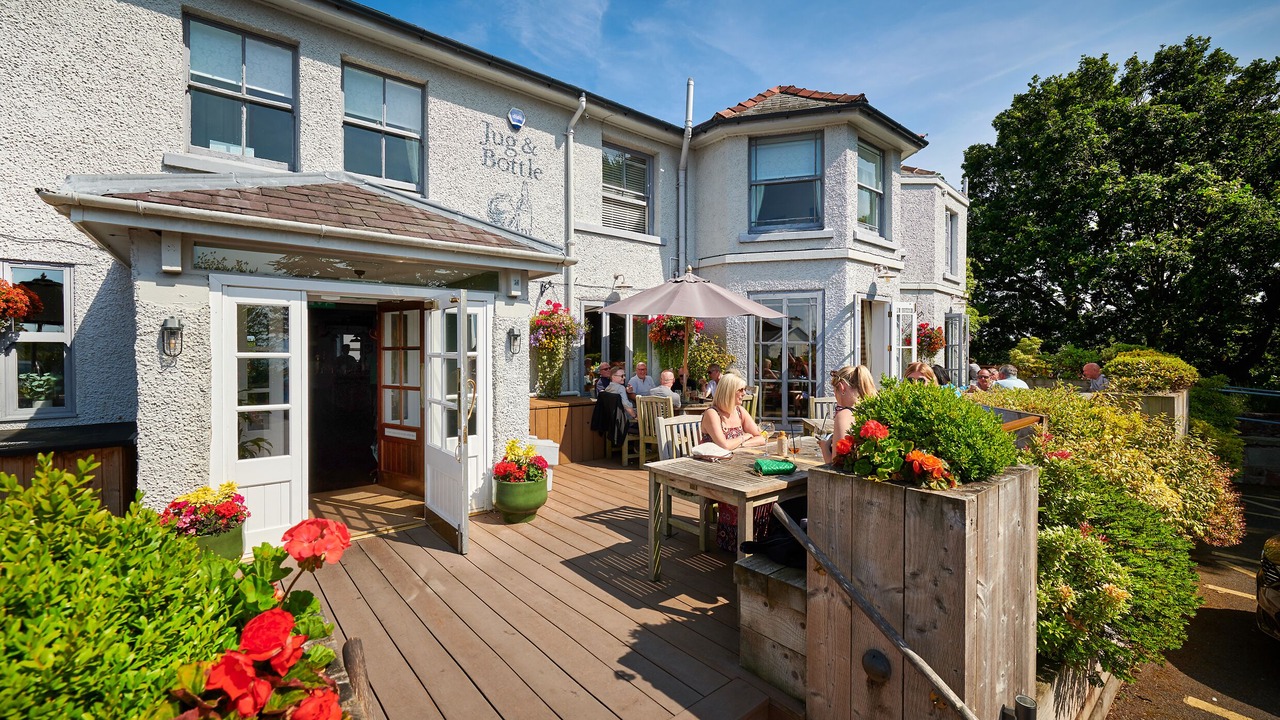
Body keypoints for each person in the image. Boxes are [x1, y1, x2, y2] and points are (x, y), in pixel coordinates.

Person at [700, 372, 768, 552]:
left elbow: (760, 438)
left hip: (735, 464)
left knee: (765, 487)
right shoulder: (712, 413)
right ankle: (733, 542)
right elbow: (723, 445)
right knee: (743, 491)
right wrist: (745, 436)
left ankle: (759, 537)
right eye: (741, 390)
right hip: (711, 471)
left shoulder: (739, 410)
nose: (744, 393)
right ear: (729, 391)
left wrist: (740, 441)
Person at [819, 365, 877, 464]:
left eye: (835, 392)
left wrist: (824, 447)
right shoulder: (873, 410)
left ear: (842, 388)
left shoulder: (845, 415)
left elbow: (836, 464)